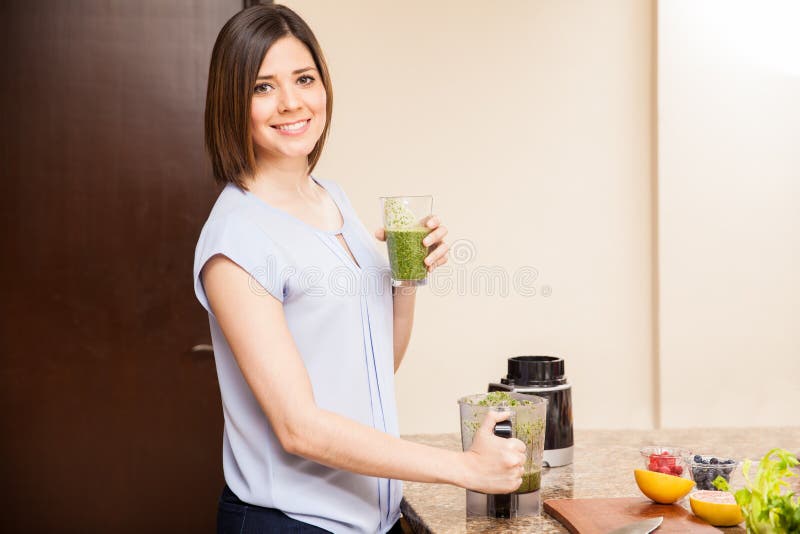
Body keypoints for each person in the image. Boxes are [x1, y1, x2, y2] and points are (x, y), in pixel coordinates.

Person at [193, 4, 526, 533]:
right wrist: (463, 468)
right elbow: (298, 427)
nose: (291, 103)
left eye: (304, 78)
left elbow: (375, 367)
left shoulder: (334, 201)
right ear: (231, 101)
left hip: (372, 520)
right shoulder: (236, 240)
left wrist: (406, 276)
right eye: (263, 87)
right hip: (291, 523)